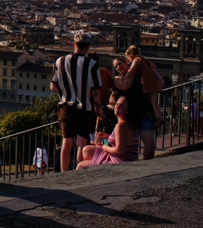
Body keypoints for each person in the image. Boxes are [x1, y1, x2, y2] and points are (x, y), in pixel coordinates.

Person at [50, 31, 102, 172]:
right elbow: (95, 91)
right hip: (86, 108)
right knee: (81, 143)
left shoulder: (60, 61)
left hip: (66, 107)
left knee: (66, 142)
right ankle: (79, 172)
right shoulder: (92, 64)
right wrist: (99, 108)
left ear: (74, 44)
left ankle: (63, 172)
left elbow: (53, 86)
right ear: (87, 47)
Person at [76, 96, 142, 169]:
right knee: (86, 150)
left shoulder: (121, 126)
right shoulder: (128, 124)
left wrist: (105, 147)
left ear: (128, 111)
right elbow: (124, 141)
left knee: (80, 166)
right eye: (117, 104)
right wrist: (108, 137)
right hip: (127, 159)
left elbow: (119, 150)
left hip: (120, 162)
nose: (117, 107)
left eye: (122, 106)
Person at [112, 54, 156, 161]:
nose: (118, 67)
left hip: (143, 111)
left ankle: (146, 165)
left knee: (150, 144)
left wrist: (140, 60)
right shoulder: (118, 79)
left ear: (126, 62)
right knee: (129, 145)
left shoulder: (138, 74)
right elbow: (125, 86)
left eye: (120, 64)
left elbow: (153, 68)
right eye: (116, 66)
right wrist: (133, 67)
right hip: (129, 116)